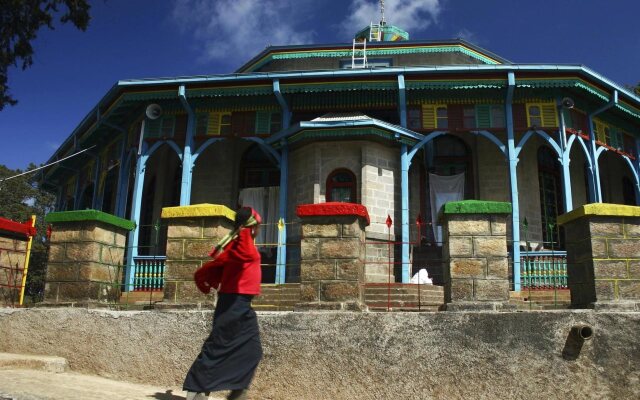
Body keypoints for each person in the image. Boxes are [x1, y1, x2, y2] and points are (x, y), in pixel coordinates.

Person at [184, 207, 263, 400]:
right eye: (258, 225)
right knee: (218, 346)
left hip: (242, 304)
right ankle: (197, 390)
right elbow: (247, 255)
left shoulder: (238, 244)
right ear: (252, 226)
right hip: (232, 303)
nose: (260, 228)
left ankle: (238, 391)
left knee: (252, 350)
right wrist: (244, 230)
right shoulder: (241, 245)